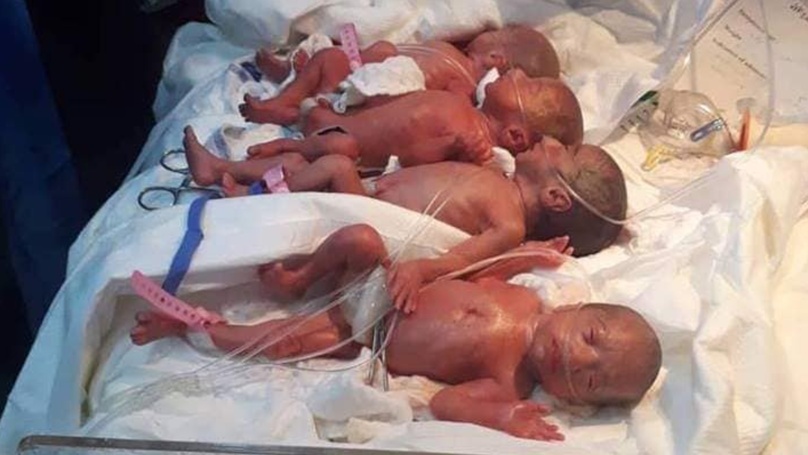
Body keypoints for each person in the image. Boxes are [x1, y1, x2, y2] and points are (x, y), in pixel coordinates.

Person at [130, 224, 662, 442]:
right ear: (580, 308)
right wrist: (525, 255)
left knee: (283, 341)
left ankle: (195, 327)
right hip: (384, 283)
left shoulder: (510, 382)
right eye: (590, 337)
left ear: (576, 401)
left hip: (362, 330)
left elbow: (448, 404)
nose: (576, 358)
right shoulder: (525, 296)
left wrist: (503, 417)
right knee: (360, 238)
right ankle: (298, 278)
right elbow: (471, 268)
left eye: (589, 380)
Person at [183, 129, 627, 311]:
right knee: (307, 161)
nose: (550, 139)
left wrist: (422, 270)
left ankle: (252, 203)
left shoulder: (508, 223)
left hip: (371, 217)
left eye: (565, 152)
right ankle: (222, 170)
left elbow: (463, 260)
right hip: (369, 193)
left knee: (335, 166)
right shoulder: (497, 174)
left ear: (556, 198)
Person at [234, 67, 581, 169]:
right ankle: (284, 100)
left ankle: (279, 143)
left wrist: (453, 148)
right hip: (343, 110)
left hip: (339, 138)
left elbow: (409, 162)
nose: (518, 73)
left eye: (529, 86)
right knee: (331, 59)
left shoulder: (471, 149)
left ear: (515, 136)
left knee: (329, 146)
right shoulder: (468, 108)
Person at [243, 25, 561, 126]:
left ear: (496, 58)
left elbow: (441, 106)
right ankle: (292, 80)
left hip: (370, 87)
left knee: (331, 59)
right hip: (359, 67)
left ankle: (289, 102)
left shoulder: (462, 81)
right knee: (334, 52)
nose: (482, 32)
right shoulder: (452, 50)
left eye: (493, 34)